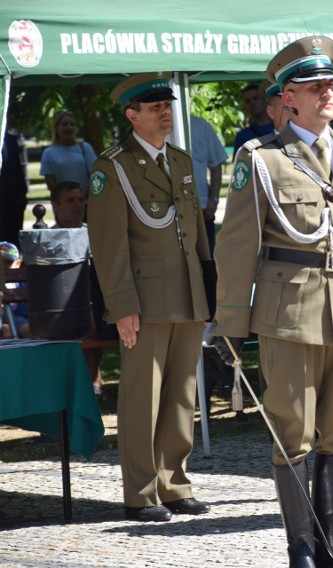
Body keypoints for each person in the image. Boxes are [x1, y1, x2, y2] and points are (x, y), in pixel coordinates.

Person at [211, 37, 333, 567]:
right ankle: (301, 549)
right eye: (316, 87)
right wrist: (230, 324)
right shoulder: (260, 160)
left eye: (332, 84)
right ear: (288, 97)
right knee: (293, 433)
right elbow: (237, 246)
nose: (329, 93)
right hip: (289, 312)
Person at [87, 72, 212, 522]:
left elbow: (196, 232)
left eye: (168, 104)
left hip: (187, 293)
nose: (166, 111)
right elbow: (109, 245)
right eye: (155, 106)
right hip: (143, 300)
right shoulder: (112, 167)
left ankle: (174, 482)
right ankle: (140, 492)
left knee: (182, 394)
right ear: (132, 115)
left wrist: (209, 290)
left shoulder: (179, 160)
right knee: (143, 398)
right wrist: (122, 307)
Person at [49, 180, 107, 397]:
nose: (77, 205)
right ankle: (86, 385)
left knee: (92, 317)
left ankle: (93, 383)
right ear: (55, 205)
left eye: (80, 200)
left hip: (95, 304)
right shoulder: (48, 239)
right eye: (70, 200)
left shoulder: (95, 234)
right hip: (59, 307)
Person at [189, 115, 228, 252]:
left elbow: (216, 164)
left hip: (203, 211)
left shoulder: (201, 126)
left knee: (207, 266)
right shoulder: (154, 127)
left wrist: (214, 199)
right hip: (170, 215)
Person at [39, 111, 97, 194]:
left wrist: (81, 196)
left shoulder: (85, 148)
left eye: (72, 124)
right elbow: (50, 183)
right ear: (56, 128)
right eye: (65, 124)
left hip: (87, 202)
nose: (69, 127)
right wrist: (67, 198)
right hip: (63, 204)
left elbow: (95, 175)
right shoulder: (48, 153)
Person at [0, 126, 29, 248]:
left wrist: (21, 199)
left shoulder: (10, 140)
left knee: (10, 249)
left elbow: (18, 170)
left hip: (11, 206)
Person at [232, 83, 275, 156]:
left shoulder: (281, 127)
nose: (252, 103)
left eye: (255, 98)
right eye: (248, 101)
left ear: (264, 99)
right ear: (245, 107)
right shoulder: (242, 136)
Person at [0, 241, 30, 339]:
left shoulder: (21, 284)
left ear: (17, 264)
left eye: (7, 263)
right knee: (6, 329)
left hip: (17, 318)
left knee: (27, 329)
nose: (2, 267)